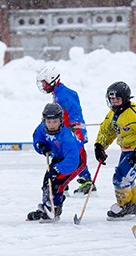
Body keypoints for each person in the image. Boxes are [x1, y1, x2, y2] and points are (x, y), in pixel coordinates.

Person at [94, 81, 136, 221]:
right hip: (127, 149)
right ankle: (134, 205)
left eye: (117, 99)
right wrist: (100, 146)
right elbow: (107, 130)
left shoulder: (135, 114)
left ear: (125, 99)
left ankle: (125, 206)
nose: (114, 102)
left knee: (121, 178)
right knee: (123, 175)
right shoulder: (112, 114)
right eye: (112, 99)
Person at [36, 64, 93, 195]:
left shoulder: (64, 95)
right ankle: (63, 180)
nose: (43, 86)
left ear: (52, 80)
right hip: (62, 132)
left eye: (44, 83)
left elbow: (74, 112)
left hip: (72, 133)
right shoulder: (57, 93)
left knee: (76, 156)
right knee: (61, 155)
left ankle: (87, 181)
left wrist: (75, 128)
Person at [27, 103, 87, 222]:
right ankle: (47, 206)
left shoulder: (67, 137)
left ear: (61, 120)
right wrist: (41, 146)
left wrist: (57, 169)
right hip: (59, 157)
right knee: (47, 181)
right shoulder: (42, 127)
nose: (51, 125)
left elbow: (73, 160)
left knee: (57, 182)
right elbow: (37, 137)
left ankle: (55, 209)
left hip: (76, 161)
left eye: (55, 121)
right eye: (49, 122)